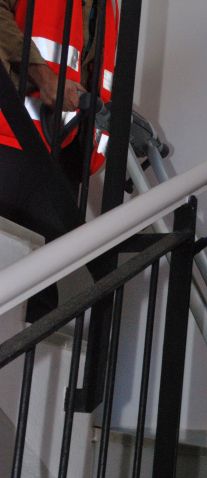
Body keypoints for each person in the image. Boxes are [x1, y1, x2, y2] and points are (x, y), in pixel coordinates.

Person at [0, 0, 118, 319]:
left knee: (39, 285)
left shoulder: (110, 7)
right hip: (10, 131)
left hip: (62, 147)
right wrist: (42, 75)